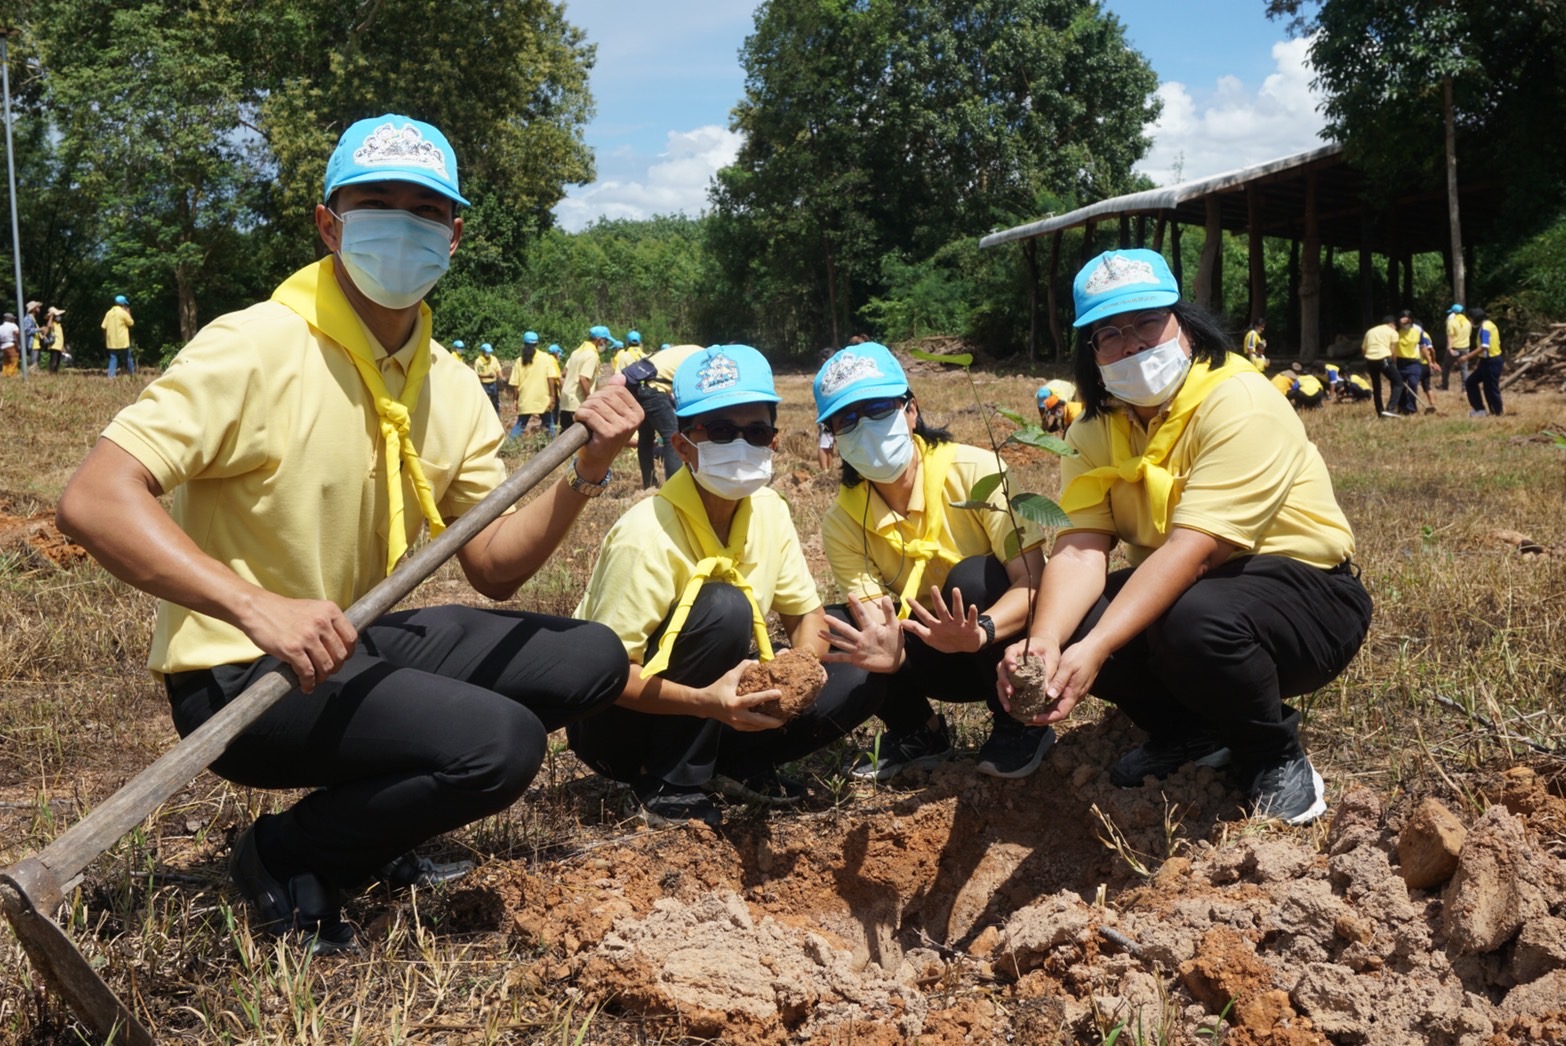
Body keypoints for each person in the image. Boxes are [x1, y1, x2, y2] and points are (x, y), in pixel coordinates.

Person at [55, 113, 642, 954]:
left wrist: (588, 470)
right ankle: (285, 855)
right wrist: (257, 607)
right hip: (240, 673)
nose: (404, 224)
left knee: (590, 658)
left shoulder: (447, 381)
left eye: (427, 210)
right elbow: (95, 499)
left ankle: (375, 821)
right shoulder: (255, 346)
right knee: (498, 745)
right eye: (377, 203)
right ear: (328, 221)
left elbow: (494, 568)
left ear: (456, 234)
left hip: (348, 642)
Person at [995, 248, 1372, 826]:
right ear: (1091, 354)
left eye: (1149, 322)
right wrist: (1047, 639)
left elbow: (1193, 551)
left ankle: (1270, 753)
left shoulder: (1240, 401)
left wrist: (1093, 652)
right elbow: (1079, 546)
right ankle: (1189, 733)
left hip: (1308, 598)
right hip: (1199, 592)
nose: (1133, 343)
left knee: (1186, 620)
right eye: (1109, 333)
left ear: (1185, 326)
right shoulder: (1095, 429)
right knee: (1089, 615)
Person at [568, 345, 884, 826]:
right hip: (619, 725)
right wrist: (705, 701)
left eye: (756, 431)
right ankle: (670, 778)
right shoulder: (645, 533)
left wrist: (799, 670)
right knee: (723, 604)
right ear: (681, 445)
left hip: (715, 703)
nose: (741, 444)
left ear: (774, 441)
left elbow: (805, 615)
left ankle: (736, 763)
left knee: (857, 661)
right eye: (719, 431)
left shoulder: (770, 511)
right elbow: (604, 677)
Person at [813, 342, 1053, 781]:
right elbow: (871, 614)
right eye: (847, 420)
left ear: (910, 410)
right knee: (837, 625)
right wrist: (882, 647)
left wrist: (981, 632)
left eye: (877, 408)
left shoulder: (977, 471)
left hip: (999, 642)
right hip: (928, 653)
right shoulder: (843, 519)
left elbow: (1033, 579)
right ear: (832, 437)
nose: (865, 428)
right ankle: (919, 730)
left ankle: (1019, 719)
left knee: (973, 577)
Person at [626, 342, 704, 489]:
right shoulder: (703, 360)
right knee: (672, 436)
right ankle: (676, 488)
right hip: (652, 388)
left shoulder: (691, 349)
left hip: (637, 384)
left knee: (646, 437)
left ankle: (649, 484)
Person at [507, 333, 556, 439]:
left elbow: (515, 384)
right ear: (537, 343)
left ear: (524, 344)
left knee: (520, 425)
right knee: (549, 425)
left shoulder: (520, 361)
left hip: (525, 400)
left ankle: (508, 447)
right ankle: (552, 446)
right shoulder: (545, 358)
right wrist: (552, 396)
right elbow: (551, 378)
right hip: (542, 399)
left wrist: (515, 400)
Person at [561, 326, 609, 429]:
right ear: (599, 340)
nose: (607, 344)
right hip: (577, 401)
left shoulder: (576, 352)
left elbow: (564, 372)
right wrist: (590, 399)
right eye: (606, 341)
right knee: (580, 437)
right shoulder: (592, 355)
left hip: (566, 399)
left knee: (565, 434)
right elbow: (583, 378)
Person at [1459, 306, 1503, 416]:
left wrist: (1467, 357)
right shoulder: (1490, 325)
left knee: (1490, 388)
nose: (1470, 321)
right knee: (1471, 382)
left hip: (1492, 361)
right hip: (1486, 361)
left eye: (1471, 319)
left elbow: (1484, 346)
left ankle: (1496, 412)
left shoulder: (1485, 328)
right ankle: (1479, 409)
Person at [1360, 315, 1401, 418]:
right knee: (1398, 382)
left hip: (1370, 360)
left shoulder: (1370, 331)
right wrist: (1394, 364)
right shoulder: (1393, 332)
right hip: (1384, 358)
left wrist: (1368, 359)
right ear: (1392, 324)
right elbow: (1392, 351)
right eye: (1395, 326)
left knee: (1377, 387)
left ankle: (1380, 412)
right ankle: (1391, 408)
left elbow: (1363, 349)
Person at [102, 294, 135, 377]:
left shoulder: (108, 313)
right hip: (122, 340)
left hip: (112, 340)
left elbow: (103, 326)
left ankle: (111, 376)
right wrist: (129, 313)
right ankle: (132, 374)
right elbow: (131, 323)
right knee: (127, 357)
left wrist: (105, 338)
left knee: (113, 358)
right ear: (123, 304)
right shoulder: (123, 313)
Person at [1444, 304, 1470, 391]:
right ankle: (1465, 388)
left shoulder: (1452, 322)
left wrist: (1449, 348)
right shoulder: (1468, 322)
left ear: (1454, 312)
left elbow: (1450, 336)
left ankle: (1445, 385)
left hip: (1454, 347)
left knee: (1446, 367)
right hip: (1465, 347)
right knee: (1464, 369)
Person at [473, 342, 503, 414]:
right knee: (483, 403)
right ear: (483, 352)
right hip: (484, 384)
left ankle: (496, 416)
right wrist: (488, 375)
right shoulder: (479, 361)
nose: (488, 354)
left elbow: (498, 369)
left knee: (495, 402)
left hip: (493, 384)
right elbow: (479, 374)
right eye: (487, 352)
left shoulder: (494, 359)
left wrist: (501, 377)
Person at [42, 306, 67, 373]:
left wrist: (62, 346)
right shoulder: (53, 324)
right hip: (54, 345)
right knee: (54, 361)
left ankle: (55, 372)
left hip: (59, 346)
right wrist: (51, 316)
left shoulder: (59, 325)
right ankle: (52, 373)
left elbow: (61, 337)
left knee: (57, 361)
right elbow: (49, 326)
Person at [21, 300, 42, 370]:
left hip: (35, 342)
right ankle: (28, 373)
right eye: (37, 307)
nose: (39, 308)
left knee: (35, 362)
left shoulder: (33, 318)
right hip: (32, 343)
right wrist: (40, 329)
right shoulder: (28, 318)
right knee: (34, 363)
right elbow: (27, 330)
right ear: (34, 309)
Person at [0, 312, 19, 376]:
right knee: (13, 361)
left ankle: (5, 374)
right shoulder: (13, 325)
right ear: (11, 319)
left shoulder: (1, 327)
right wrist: (19, 342)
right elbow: (17, 333)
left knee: (6, 362)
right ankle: (11, 375)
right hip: (11, 345)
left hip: (3, 346)